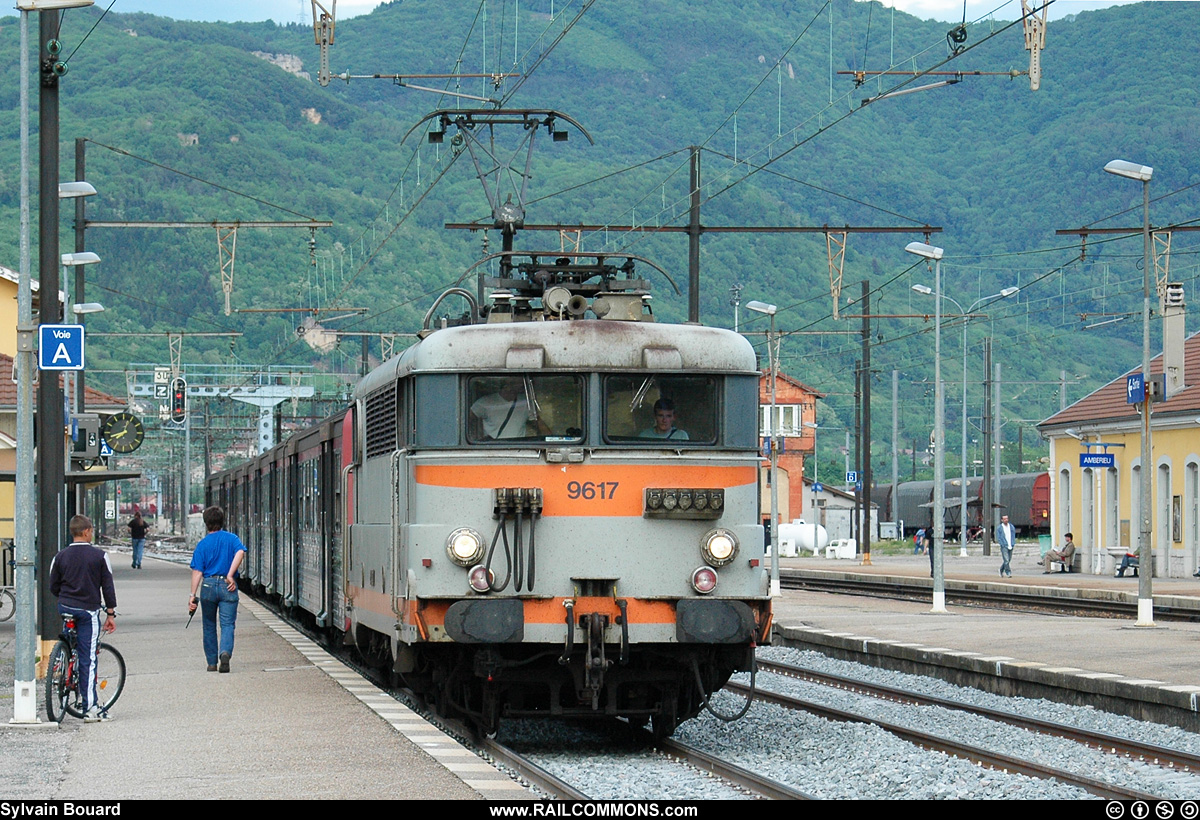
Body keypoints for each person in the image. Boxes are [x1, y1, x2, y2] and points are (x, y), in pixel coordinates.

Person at [49, 514, 117, 722]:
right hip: (87, 610)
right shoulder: (99, 556)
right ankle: (91, 708)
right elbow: (108, 587)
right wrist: (111, 613)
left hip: (66, 606)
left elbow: (53, 585)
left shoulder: (60, 556)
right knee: (88, 657)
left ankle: (64, 665)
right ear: (86, 531)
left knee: (72, 644)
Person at [188, 506, 246, 673]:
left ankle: (212, 663)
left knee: (209, 625)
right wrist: (230, 574)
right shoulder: (232, 538)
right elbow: (240, 552)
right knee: (227, 624)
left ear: (206, 523)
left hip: (208, 586)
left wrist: (192, 595)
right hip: (228, 586)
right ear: (222, 521)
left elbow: (197, 572)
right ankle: (225, 653)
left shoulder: (203, 544)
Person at [471, 378, 535, 439]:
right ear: (504, 386)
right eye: (513, 384)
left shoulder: (526, 402)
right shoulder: (484, 402)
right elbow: (466, 421)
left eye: (520, 384)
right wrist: (477, 437)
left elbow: (538, 423)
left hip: (518, 447)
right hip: (492, 447)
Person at [996, 514, 1016, 578]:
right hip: (1004, 545)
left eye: (1007, 519)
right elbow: (998, 537)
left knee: (1008, 560)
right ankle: (1008, 572)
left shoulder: (1011, 526)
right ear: (1002, 520)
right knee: (1006, 560)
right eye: (1004, 519)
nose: (1006, 520)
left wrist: (1013, 543)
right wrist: (1002, 544)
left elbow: (1013, 535)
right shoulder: (999, 528)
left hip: (1011, 544)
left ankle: (1001, 570)